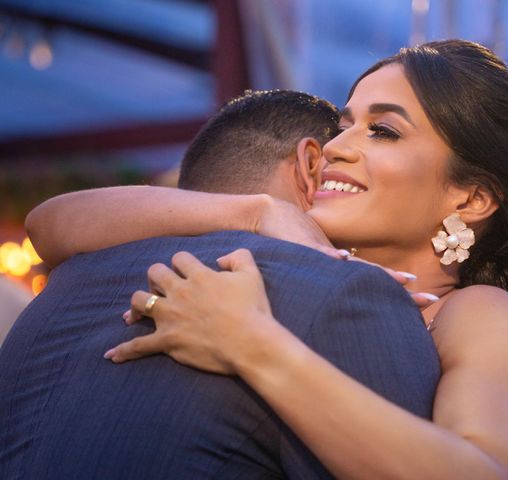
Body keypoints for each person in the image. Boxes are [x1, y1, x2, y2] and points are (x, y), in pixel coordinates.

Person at [26, 40, 508, 479]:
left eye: (382, 131)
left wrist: (251, 345)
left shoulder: (479, 312)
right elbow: (51, 225)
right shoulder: (294, 264)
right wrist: (254, 211)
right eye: (344, 124)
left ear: (472, 197)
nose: (335, 147)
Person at [0, 90, 442, 479]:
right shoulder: (340, 293)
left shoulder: (63, 287)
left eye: (379, 132)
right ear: (310, 164)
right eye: (341, 141)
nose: (347, 153)